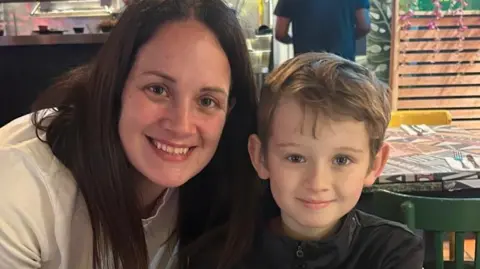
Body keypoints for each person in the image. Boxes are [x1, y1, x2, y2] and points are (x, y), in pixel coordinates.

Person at [0, 0, 261, 268]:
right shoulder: (20, 189)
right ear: (116, 84)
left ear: (229, 111)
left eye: (207, 101)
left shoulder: (226, 188)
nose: (182, 126)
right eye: (158, 89)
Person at [223, 52, 424, 269]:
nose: (317, 183)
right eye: (296, 158)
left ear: (374, 165)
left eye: (341, 160)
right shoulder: (227, 252)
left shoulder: (394, 251)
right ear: (260, 157)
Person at [274, 0, 371, 61]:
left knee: (310, 94)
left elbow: (280, 33)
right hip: (342, 61)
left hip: (307, 62)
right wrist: (348, 37)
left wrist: (294, 40)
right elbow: (364, 26)